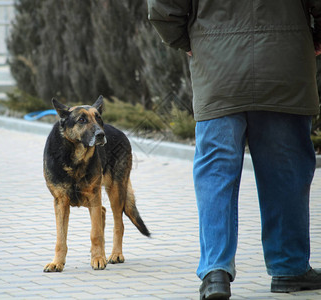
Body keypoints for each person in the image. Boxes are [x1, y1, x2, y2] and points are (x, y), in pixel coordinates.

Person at [148, 0, 321, 299]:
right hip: (284, 61)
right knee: (287, 171)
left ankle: (216, 272)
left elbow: (163, 7)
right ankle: (289, 267)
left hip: (217, 68)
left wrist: (188, 41)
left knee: (216, 172)